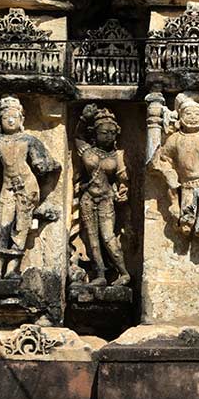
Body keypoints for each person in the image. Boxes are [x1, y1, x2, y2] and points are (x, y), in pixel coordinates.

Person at [0, 95, 59, 278]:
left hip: (27, 186)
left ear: (21, 120)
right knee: (3, 225)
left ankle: (12, 268)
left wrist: (43, 167)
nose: (10, 120)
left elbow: (43, 163)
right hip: (7, 186)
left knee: (21, 227)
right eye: (6, 117)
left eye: (14, 116)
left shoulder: (28, 140)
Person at [152, 92, 199, 238]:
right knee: (186, 224)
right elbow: (165, 158)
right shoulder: (174, 139)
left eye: (197, 113)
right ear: (180, 116)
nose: (192, 117)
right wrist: (169, 174)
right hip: (186, 185)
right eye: (188, 113)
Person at [74, 104, 129, 287]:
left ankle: (124, 272)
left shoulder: (117, 155)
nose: (109, 136)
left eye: (113, 133)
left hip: (106, 198)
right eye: (104, 132)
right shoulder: (87, 151)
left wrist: (122, 191)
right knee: (92, 238)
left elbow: (123, 180)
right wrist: (83, 118)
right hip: (88, 197)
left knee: (107, 237)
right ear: (95, 134)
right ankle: (100, 274)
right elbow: (77, 136)